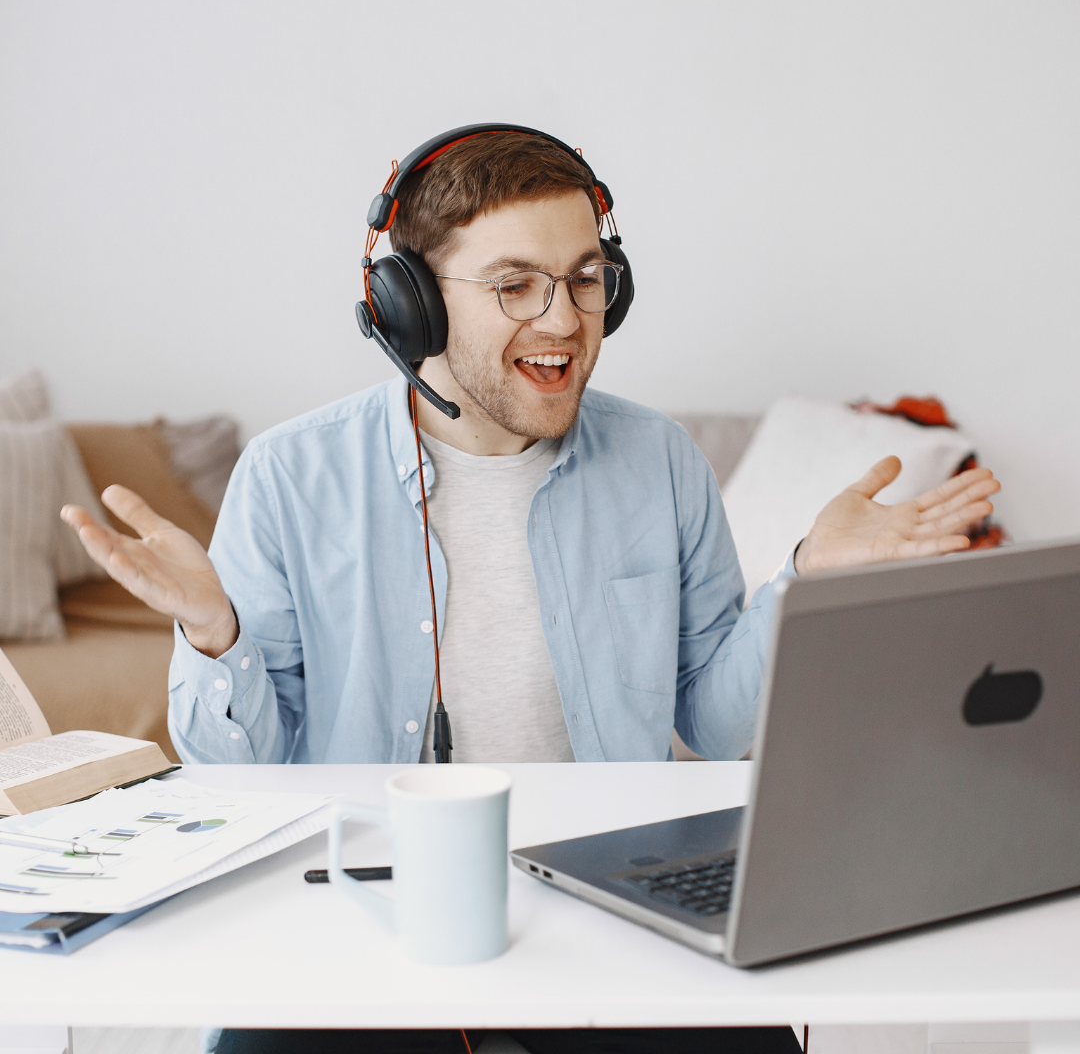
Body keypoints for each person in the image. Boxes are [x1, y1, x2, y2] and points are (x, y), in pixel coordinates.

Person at [62, 129, 1000, 1054]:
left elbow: (716, 727)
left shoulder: (661, 462)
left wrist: (805, 581)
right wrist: (214, 631)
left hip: (618, 902)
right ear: (410, 306)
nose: (563, 320)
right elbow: (244, 773)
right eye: (515, 285)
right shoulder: (289, 475)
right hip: (371, 913)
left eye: (587, 279)